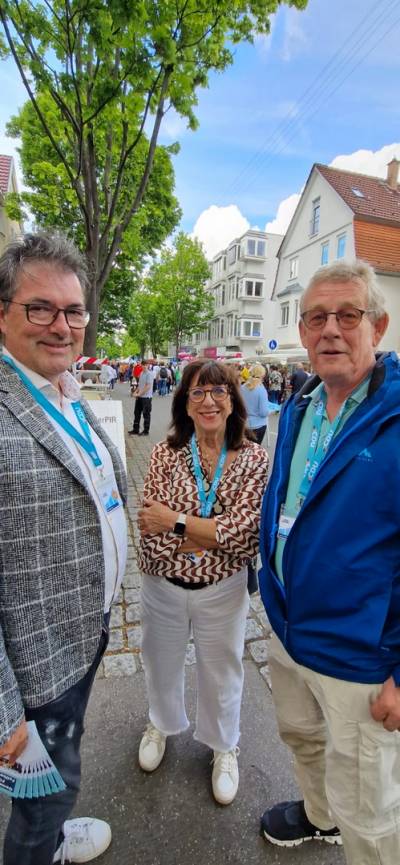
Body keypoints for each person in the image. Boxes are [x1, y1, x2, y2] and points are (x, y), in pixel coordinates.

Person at [258, 260, 400, 865]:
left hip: (359, 657)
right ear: (303, 331)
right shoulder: (300, 405)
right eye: (317, 318)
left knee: (368, 807)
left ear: (379, 325)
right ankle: (318, 819)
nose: (331, 331)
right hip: (289, 630)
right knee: (301, 738)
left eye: (348, 315)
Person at [0, 232, 128, 865]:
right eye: (40, 308)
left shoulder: (64, 389)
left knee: (58, 775)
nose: (62, 325)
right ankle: (39, 848)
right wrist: (3, 714)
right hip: (34, 667)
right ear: (2, 314)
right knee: (46, 790)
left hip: (81, 632)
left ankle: (47, 839)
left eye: (74, 310)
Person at [137, 360, 269, 805]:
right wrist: (207, 531)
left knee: (222, 670)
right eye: (197, 393)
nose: (209, 401)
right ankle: (162, 722)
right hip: (164, 586)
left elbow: (244, 536)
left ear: (234, 400)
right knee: (161, 660)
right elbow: (147, 530)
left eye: (218, 391)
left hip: (223, 591)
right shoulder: (164, 453)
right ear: (185, 404)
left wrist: (176, 522)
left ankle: (223, 745)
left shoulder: (253, 459)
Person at [241, 363, 270, 445]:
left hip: (244, 424)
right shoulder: (261, 390)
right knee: (254, 452)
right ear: (263, 375)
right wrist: (269, 411)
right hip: (258, 425)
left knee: (243, 451)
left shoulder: (242, 387)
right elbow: (263, 412)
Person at [128, 358, 154, 436]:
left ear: (148, 365)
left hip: (146, 398)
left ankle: (146, 431)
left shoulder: (149, 374)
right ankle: (136, 429)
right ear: (141, 365)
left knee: (146, 414)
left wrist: (139, 394)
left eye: (146, 365)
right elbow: (140, 385)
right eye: (143, 365)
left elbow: (148, 386)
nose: (144, 366)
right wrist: (135, 392)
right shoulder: (142, 373)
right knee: (137, 413)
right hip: (140, 397)